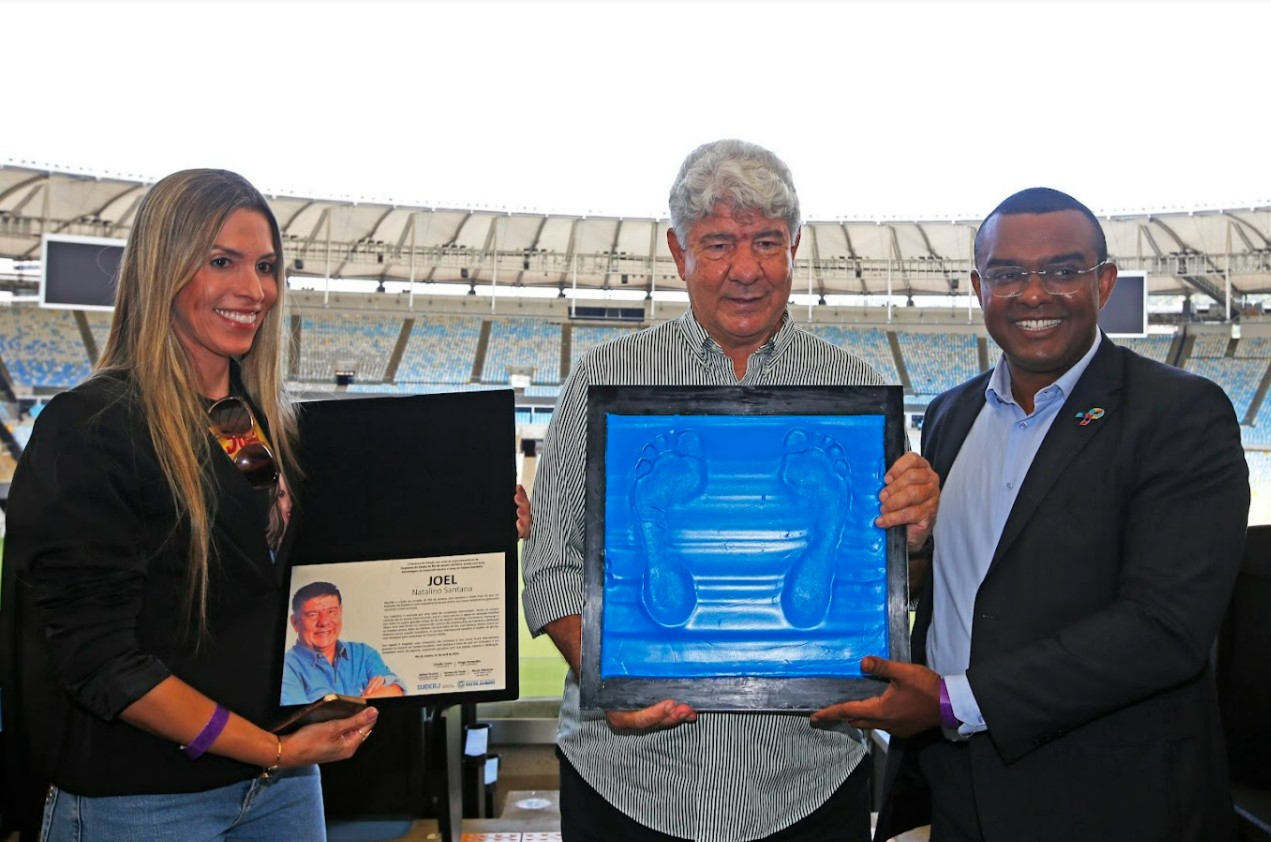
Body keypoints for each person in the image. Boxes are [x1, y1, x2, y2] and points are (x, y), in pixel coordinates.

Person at [522, 139, 940, 842]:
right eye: (717, 244)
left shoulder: (858, 397)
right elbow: (552, 568)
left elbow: (892, 592)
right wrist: (608, 680)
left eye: (766, 243)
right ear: (678, 252)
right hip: (630, 779)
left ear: (795, 248)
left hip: (806, 777)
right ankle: (659, 543)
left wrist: (915, 536)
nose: (745, 269)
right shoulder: (601, 378)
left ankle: (790, 528)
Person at [818, 188, 1250, 842]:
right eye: (1006, 273)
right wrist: (910, 557)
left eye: (1061, 270)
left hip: (1104, 797)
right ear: (976, 286)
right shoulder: (950, 414)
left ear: (1103, 282)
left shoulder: (1179, 414)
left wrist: (947, 701)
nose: (1032, 292)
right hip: (954, 786)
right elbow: (963, 579)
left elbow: (1164, 628)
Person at [0, 169, 379, 840]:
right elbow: (100, 661)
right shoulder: (90, 429)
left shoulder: (240, 423)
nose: (253, 289)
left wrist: (472, 529)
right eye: (221, 262)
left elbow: (272, 571)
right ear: (162, 270)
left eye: (265, 266)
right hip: (142, 798)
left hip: (277, 788)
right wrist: (275, 752)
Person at [282, 581, 405, 705]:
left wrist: (334, 707)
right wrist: (366, 699)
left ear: (341, 612)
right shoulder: (287, 667)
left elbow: (395, 691)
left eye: (331, 612)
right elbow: (302, 719)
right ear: (294, 622)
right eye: (313, 614)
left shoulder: (363, 654)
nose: (324, 622)